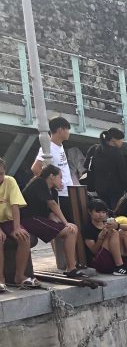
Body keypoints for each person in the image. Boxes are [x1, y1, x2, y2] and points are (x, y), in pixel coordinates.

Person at [21, 164, 83, 277]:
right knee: (70, 230)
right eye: (60, 177)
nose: (62, 181)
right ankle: (71, 268)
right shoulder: (39, 182)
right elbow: (52, 204)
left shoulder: (53, 191)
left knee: (72, 228)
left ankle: (72, 265)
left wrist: (62, 223)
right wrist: (65, 223)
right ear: (51, 176)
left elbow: (51, 213)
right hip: (28, 218)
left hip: (38, 219)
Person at [81, 197, 127, 275]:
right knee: (114, 233)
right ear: (90, 212)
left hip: (113, 257)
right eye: (98, 212)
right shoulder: (88, 227)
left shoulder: (107, 222)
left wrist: (117, 225)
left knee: (124, 232)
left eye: (103, 212)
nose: (101, 215)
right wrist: (100, 238)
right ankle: (119, 266)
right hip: (100, 261)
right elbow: (94, 251)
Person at [31, 116, 75, 220]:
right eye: (67, 129)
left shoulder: (60, 145)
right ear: (60, 130)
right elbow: (35, 168)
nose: (69, 132)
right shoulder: (47, 147)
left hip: (68, 192)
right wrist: (51, 184)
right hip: (59, 194)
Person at [0, 156, 34, 291]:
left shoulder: (10, 181)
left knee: (24, 237)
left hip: (8, 220)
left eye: (1, 174)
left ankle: (19, 275)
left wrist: (17, 227)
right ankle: (1, 278)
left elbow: (15, 205)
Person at [84, 128, 127, 213]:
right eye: (121, 139)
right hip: (116, 189)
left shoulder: (94, 149)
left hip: (99, 188)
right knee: (117, 212)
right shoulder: (117, 153)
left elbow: (86, 165)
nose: (122, 142)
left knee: (104, 211)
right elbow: (123, 174)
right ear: (113, 140)